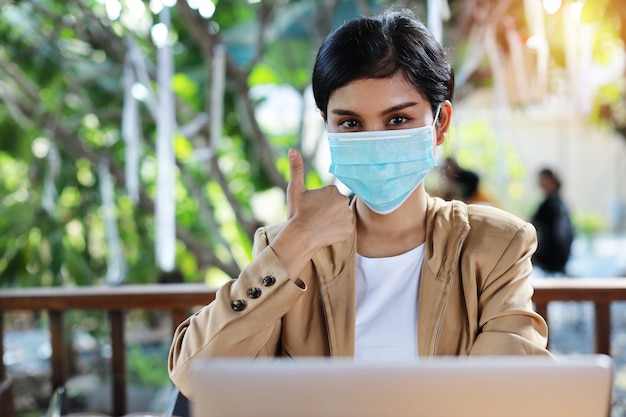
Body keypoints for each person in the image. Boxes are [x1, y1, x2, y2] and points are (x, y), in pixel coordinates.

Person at [168, 8, 551, 398]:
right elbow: (196, 377)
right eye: (350, 123)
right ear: (328, 128)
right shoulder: (288, 248)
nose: (375, 140)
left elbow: (511, 387)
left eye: (398, 119)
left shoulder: (496, 245)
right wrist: (295, 244)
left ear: (440, 125)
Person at [531, 168, 574, 275]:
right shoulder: (559, 202)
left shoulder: (551, 204)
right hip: (560, 258)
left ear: (550, 179)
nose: (539, 181)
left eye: (542, 178)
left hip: (551, 257)